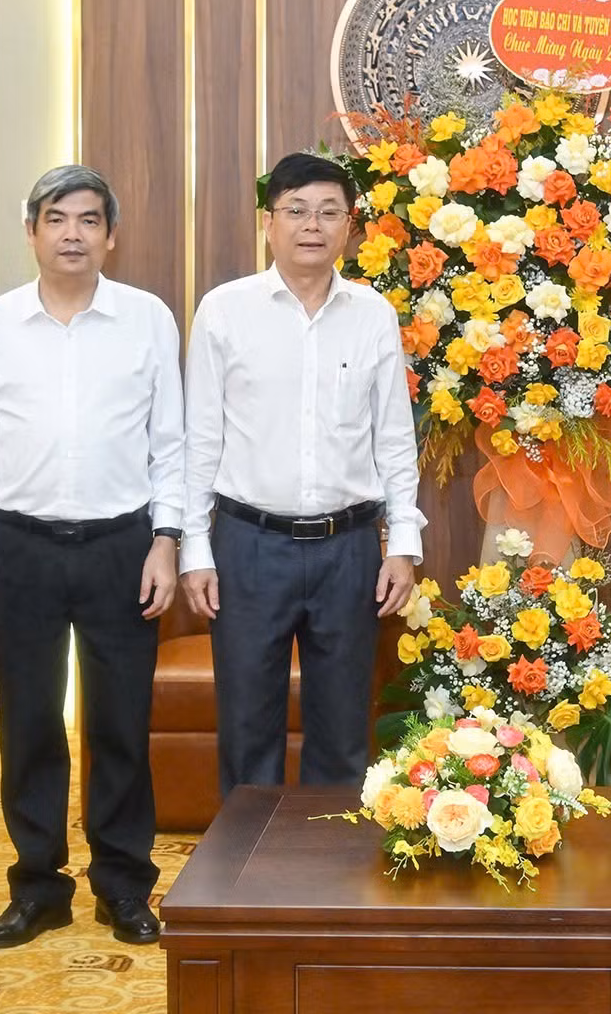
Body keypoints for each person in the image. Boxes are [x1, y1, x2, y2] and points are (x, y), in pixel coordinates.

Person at [0, 165, 185, 948]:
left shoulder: (146, 319)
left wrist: (166, 540)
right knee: (29, 724)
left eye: (89, 220)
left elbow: (171, 442)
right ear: (31, 232)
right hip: (17, 547)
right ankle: (38, 887)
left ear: (111, 235)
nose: (73, 234)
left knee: (120, 724)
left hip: (123, 546)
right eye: (56, 219)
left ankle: (123, 885)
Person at [179, 152, 423, 798]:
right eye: (296, 210)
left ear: (349, 226)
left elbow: (394, 438)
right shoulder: (225, 310)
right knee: (247, 729)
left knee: (343, 734)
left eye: (328, 212)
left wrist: (403, 543)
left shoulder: (372, 313)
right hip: (248, 546)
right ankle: (247, 860)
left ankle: (328, 860)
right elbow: (200, 438)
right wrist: (194, 548)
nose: (312, 225)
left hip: (349, 548)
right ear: (269, 222)